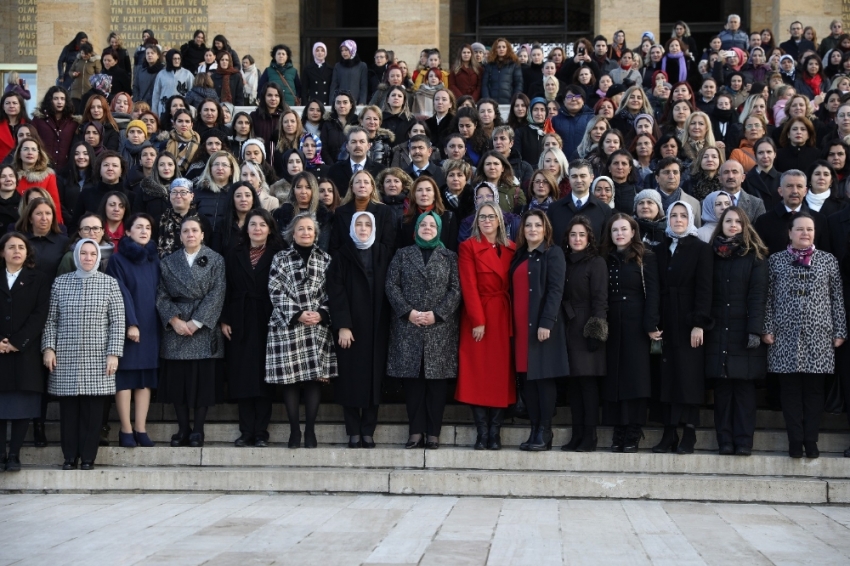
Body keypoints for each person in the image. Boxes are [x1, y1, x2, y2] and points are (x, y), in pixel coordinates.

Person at [763, 212, 846, 458]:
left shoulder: (828, 260)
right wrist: (767, 327)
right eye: (799, 229)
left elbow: (837, 298)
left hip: (819, 336)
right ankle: (794, 440)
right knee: (789, 393)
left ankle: (811, 440)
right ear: (789, 233)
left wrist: (840, 330)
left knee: (814, 392)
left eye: (809, 229)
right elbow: (767, 298)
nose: (805, 233)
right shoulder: (775, 261)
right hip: (784, 335)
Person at [42, 239, 125, 470]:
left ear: (98, 257)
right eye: (83, 253)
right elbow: (51, 321)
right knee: (68, 413)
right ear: (76, 256)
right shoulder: (60, 283)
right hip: (66, 357)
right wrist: (49, 348)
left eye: (92, 254)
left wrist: (113, 354)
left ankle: (88, 457)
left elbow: (118, 322)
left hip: (98, 358)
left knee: (93, 412)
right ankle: (69, 457)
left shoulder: (109, 284)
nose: (87, 258)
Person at [385, 211, 461, 449]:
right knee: (414, 384)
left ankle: (433, 433)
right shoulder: (402, 254)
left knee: (437, 385)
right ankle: (415, 431)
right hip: (409, 326)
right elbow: (391, 285)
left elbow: (456, 290)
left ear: (439, 229)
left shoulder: (449, 257)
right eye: (423, 224)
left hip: (440, 329)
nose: (427, 228)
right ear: (416, 228)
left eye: (432, 225)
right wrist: (409, 312)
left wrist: (437, 314)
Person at [265, 212, 336, 449]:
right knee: (290, 380)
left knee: (315, 379)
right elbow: (275, 289)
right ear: (292, 233)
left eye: (310, 229)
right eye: (301, 229)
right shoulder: (280, 258)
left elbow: (332, 291)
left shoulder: (325, 259)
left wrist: (322, 313)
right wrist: (297, 313)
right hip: (288, 325)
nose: (306, 233)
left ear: (316, 233)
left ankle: (310, 430)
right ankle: (294, 430)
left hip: (316, 325)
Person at [156, 216, 226, 448]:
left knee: (202, 381)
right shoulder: (168, 262)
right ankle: (183, 428)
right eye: (185, 231)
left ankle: (198, 430)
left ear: (202, 234)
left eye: (195, 230)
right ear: (180, 235)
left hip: (203, 327)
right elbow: (161, 294)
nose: (190, 235)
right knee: (179, 382)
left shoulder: (216, 259)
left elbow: (217, 293)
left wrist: (197, 322)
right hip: (176, 327)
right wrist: (174, 320)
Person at [650, 201, 713, 454]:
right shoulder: (659, 249)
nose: (678, 219)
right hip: (666, 319)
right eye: (673, 215)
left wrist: (699, 323)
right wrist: (654, 321)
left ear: (690, 219)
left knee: (688, 376)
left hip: (688, 320)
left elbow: (705, 288)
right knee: (667, 375)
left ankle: (688, 431)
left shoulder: (700, 248)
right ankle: (669, 432)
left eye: (682, 215)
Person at [705, 206, 768, 456]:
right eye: (728, 221)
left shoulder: (755, 256)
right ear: (720, 225)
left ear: (745, 226)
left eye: (737, 222)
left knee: (743, 390)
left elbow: (758, 295)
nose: (733, 225)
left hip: (744, 331)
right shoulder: (710, 255)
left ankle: (743, 441)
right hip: (717, 329)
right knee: (722, 390)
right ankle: (725, 441)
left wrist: (754, 329)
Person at [327, 211, 392, 448]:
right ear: (352, 228)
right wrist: (343, 325)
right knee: (351, 380)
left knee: (374, 381)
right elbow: (336, 292)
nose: (363, 228)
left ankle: (368, 431)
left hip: (377, 327)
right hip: (351, 329)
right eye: (359, 224)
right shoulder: (342, 255)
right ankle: (353, 431)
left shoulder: (383, 253)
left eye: (367, 224)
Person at [220, 209, 283, 447]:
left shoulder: (279, 254)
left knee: (265, 375)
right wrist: (225, 318)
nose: (257, 229)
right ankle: (246, 430)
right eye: (252, 224)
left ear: (269, 228)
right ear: (246, 229)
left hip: (269, 317)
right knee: (242, 374)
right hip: (240, 317)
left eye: (262, 225)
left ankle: (261, 431)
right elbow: (225, 287)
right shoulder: (233, 253)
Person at [456, 203, 516, 450]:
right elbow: (468, 286)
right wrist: (478, 320)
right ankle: (482, 433)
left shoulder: (512, 247)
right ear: (476, 221)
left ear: (501, 221)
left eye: (492, 217)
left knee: (501, 374)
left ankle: (495, 432)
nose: (487, 221)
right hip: (479, 315)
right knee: (478, 374)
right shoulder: (468, 247)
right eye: (482, 217)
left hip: (503, 315)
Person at [509, 210, 568, 451]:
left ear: (546, 230)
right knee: (527, 380)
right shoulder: (520, 255)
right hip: (520, 327)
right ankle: (534, 429)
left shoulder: (553, 253)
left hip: (542, 326)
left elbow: (556, 290)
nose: (533, 229)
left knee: (543, 380)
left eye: (538, 225)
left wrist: (547, 321)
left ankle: (545, 431)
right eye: (528, 226)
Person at [601, 213, 660, 452]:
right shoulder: (605, 258)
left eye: (624, 229)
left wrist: (650, 325)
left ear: (633, 232)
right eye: (615, 230)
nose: (620, 234)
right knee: (614, 376)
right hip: (612, 321)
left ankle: (634, 429)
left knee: (635, 377)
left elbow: (653, 293)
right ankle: (619, 429)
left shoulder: (646, 257)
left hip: (637, 323)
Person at [104, 213, 160, 448]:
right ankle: (126, 429)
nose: (144, 231)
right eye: (139, 227)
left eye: (148, 227)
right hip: (128, 326)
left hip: (152, 325)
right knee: (126, 379)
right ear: (127, 232)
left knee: (145, 379)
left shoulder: (154, 258)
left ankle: (141, 428)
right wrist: (131, 323)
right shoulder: (118, 260)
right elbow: (119, 293)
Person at [0, 233, 50, 471]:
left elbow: (40, 314)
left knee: (22, 405)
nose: (16, 251)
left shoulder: (38, 279)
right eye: (11, 247)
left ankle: (14, 455)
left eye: (21, 247)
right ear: (3, 252)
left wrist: (18, 341)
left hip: (26, 352)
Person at [560, 215, 608, 452]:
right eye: (573, 234)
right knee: (573, 386)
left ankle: (590, 436)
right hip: (568, 327)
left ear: (589, 238)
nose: (577, 239)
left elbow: (600, 299)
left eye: (582, 234)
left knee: (587, 385)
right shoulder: (564, 261)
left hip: (587, 327)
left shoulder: (596, 262)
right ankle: (576, 435)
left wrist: (596, 331)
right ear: (567, 238)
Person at [754, 169, 830, 255]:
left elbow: (825, 254)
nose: (794, 191)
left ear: (805, 191)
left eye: (799, 186)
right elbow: (759, 256)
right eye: (789, 186)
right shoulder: (764, 221)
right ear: (780, 191)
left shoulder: (820, 220)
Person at [547, 159, 613, 243]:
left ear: (592, 178)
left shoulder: (604, 210)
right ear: (569, 178)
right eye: (574, 176)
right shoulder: (554, 209)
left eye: (583, 176)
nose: (578, 180)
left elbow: (605, 244)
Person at [13, 137, 65, 226]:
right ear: (19, 154)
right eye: (26, 149)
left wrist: (58, 225)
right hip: (15, 221)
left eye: (33, 149)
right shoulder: (11, 175)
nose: (30, 152)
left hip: (42, 223)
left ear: (39, 155)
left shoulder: (48, 176)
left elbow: (54, 203)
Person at [31, 87, 77, 172]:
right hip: (43, 169)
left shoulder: (73, 122)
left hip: (66, 171)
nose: (59, 102)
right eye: (56, 98)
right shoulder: (38, 120)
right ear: (50, 100)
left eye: (62, 99)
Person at [549, 85, 594, 158]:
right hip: (562, 160)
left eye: (577, 96)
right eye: (569, 97)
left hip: (586, 160)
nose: (573, 99)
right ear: (564, 101)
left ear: (583, 100)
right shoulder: (555, 120)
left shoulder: (592, 119)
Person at [743, 137, 782, 210]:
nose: (765, 156)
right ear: (755, 156)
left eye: (769, 152)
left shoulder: (783, 179)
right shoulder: (746, 180)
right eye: (761, 152)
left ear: (775, 154)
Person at [151, 50, 194, 116]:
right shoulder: (161, 74)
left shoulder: (187, 74)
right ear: (169, 59)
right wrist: (154, 112)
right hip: (164, 108)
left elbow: (192, 93)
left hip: (181, 109)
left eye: (178, 59)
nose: (177, 61)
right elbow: (156, 94)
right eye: (174, 59)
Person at [480, 38, 522, 104]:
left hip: (509, 102)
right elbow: (485, 84)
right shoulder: (489, 65)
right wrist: (487, 100)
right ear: (495, 49)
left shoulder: (514, 65)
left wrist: (514, 100)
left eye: (504, 47)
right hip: (492, 103)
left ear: (507, 49)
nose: (501, 49)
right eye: (498, 47)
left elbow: (518, 84)